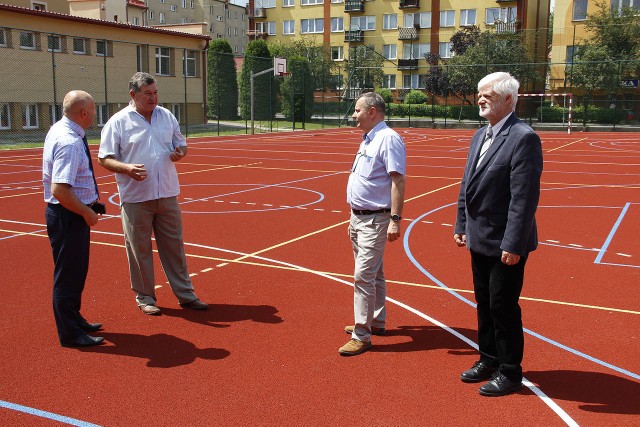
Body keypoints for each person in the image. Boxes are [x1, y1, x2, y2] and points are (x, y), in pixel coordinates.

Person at [454, 72, 543, 396]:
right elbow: (467, 184)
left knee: (503, 306)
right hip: (479, 237)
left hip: (506, 241)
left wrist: (513, 244)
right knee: (483, 302)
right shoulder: (480, 136)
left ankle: (510, 371)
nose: (480, 99)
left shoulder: (523, 138)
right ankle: (488, 358)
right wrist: (461, 224)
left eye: (487, 95)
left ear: (508, 99)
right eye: (479, 94)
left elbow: (524, 199)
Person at [98, 72, 208, 315]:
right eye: (147, 93)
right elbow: (104, 157)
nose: (153, 97)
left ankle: (185, 294)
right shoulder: (118, 122)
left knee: (174, 247)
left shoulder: (166, 116)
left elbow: (182, 144)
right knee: (139, 249)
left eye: (155, 92)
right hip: (136, 197)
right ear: (133, 94)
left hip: (167, 192)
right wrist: (126, 168)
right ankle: (145, 297)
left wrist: (181, 152)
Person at [339, 92, 406, 356]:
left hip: (375, 219)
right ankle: (375, 321)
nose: (354, 115)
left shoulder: (388, 139)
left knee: (363, 276)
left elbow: (398, 180)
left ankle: (362, 335)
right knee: (374, 273)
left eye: (357, 110)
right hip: (358, 217)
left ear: (372, 112)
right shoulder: (369, 138)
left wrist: (395, 221)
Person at [43, 90, 105, 347]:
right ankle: (70, 334)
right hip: (69, 216)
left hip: (70, 214)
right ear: (83, 113)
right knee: (68, 275)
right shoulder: (69, 141)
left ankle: (74, 319)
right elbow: (60, 189)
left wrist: (92, 203)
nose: (94, 115)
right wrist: (86, 211)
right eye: (93, 111)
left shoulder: (61, 129)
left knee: (76, 272)